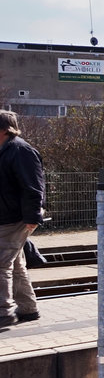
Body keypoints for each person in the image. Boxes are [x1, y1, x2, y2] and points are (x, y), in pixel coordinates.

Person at [0, 110, 45, 326]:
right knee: (15, 264)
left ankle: (3, 312)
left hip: (14, 219)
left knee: (1, 264)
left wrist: (32, 217)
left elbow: (33, 187)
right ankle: (28, 309)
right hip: (7, 216)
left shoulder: (21, 151)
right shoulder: (5, 150)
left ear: (3, 129)